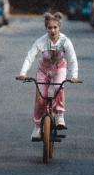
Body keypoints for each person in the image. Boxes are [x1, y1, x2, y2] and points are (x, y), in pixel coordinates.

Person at [16, 12, 79, 140]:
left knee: (58, 87)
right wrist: (23, 73)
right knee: (40, 99)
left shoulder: (65, 41)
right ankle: (37, 127)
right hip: (43, 71)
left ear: (59, 27)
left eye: (55, 27)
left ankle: (60, 115)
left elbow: (72, 59)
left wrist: (74, 75)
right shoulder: (41, 41)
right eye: (50, 27)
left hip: (59, 69)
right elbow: (30, 57)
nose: (53, 30)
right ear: (46, 28)